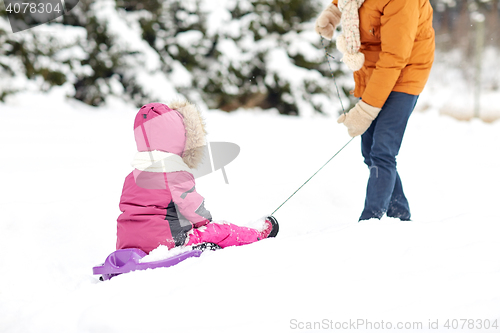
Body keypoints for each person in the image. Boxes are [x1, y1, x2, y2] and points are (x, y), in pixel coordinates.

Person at [315, 0, 435, 221]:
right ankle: (400, 216)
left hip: (405, 71)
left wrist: (366, 110)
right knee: (369, 149)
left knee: (382, 151)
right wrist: (333, 12)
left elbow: (395, 57)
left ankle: (370, 221)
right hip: (373, 69)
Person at [116, 101, 278, 253]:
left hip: (127, 242)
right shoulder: (174, 172)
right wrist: (205, 222)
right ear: (178, 137)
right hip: (167, 241)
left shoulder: (132, 176)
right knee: (221, 230)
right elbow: (193, 209)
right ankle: (258, 234)